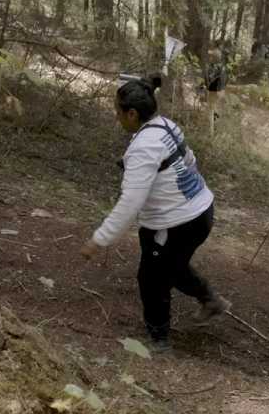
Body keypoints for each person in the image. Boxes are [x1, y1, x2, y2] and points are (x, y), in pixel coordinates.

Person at [80, 75, 231, 352]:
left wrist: (100, 239)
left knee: (151, 278)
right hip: (201, 210)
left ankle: (158, 339)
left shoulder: (142, 146)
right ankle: (211, 300)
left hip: (177, 223)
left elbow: (130, 203)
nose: (117, 118)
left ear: (132, 113)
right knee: (173, 266)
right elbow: (187, 159)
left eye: (118, 112)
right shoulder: (166, 125)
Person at [205, 46, 227, 136]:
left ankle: (211, 133)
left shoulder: (213, 67)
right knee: (214, 108)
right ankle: (216, 119)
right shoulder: (222, 66)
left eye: (211, 56)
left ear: (214, 58)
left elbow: (209, 80)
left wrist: (205, 85)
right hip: (221, 91)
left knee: (210, 110)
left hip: (214, 92)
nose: (209, 58)